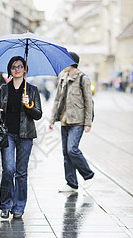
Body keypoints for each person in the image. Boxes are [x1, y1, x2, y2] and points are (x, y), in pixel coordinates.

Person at [0, 56, 42, 219]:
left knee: (21, 172)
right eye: (14, 67)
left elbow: (38, 115)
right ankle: (5, 205)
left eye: (20, 66)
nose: (17, 69)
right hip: (7, 134)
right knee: (8, 170)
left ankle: (19, 207)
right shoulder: (2, 90)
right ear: (10, 70)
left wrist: (29, 105)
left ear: (25, 69)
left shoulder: (32, 90)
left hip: (26, 135)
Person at [49, 52, 94, 192]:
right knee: (66, 153)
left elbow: (88, 102)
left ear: (72, 62)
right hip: (64, 120)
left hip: (78, 121)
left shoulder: (83, 78)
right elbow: (57, 100)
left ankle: (88, 174)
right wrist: (52, 119)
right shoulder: (62, 78)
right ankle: (72, 184)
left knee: (72, 149)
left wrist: (88, 122)